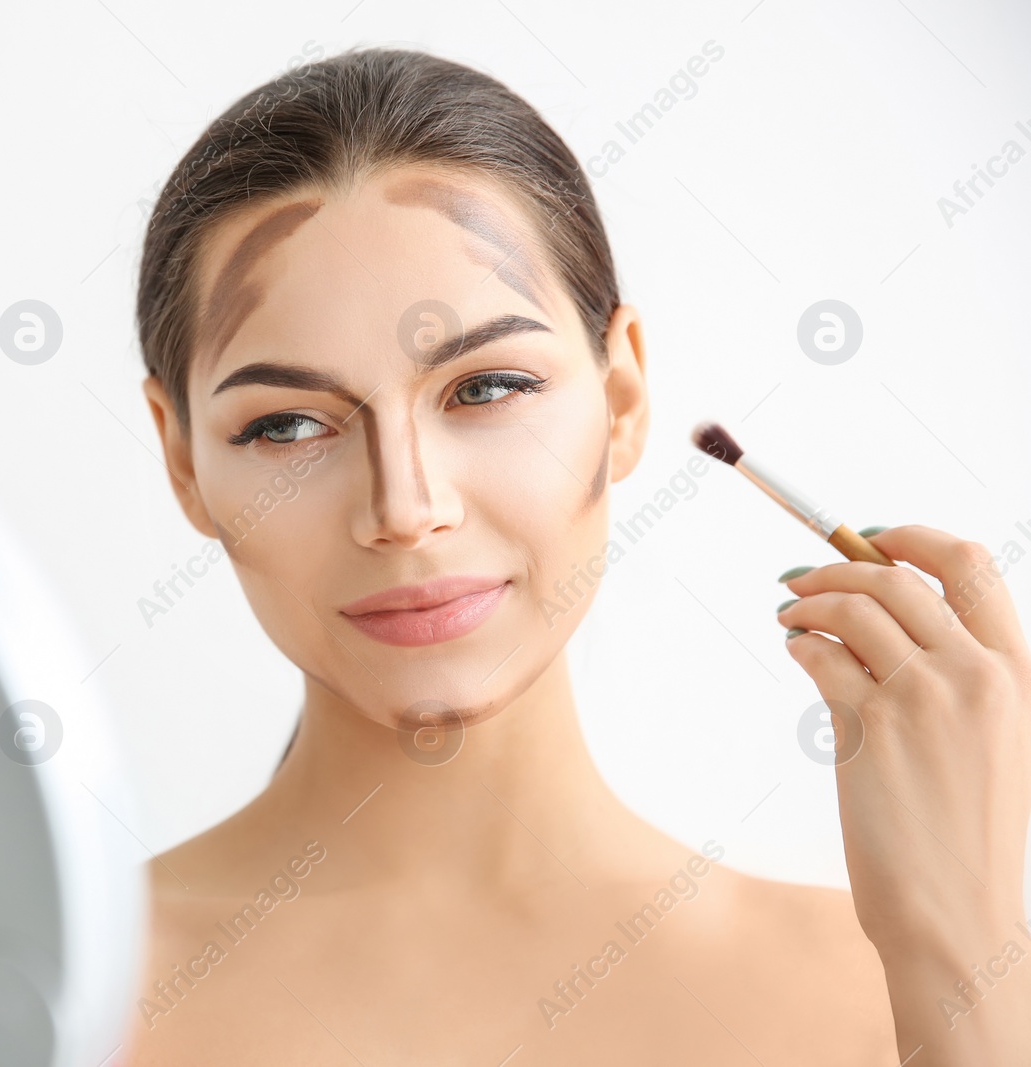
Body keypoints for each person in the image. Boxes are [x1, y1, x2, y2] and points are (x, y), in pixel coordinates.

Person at [125, 46, 1031, 1065]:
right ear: (182, 458)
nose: (405, 507)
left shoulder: (887, 990)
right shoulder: (45, 992)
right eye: (288, 425)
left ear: (621, 396)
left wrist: (966, 952)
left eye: (486, 387)